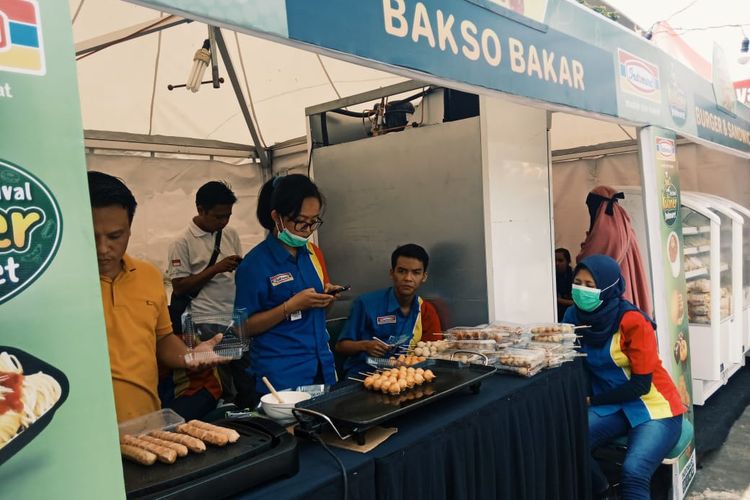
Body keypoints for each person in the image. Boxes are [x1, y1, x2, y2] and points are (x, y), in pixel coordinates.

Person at [88, 171, 226, 423]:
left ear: (130, 230)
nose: (102, 248)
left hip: (146, 424)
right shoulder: (58, 287)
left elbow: (162, 339)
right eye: (91, 236)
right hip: (86, 430)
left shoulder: (149, 276)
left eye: (114, 236)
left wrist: (189, 356)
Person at [563, 254, 686, 500]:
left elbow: (641, 385)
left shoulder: (633, 321)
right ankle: (604, 492)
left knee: (634, 472)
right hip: (612, 404)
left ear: (608, 287)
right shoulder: (572, 317)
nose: (582, 291)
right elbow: (574, 364)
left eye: (591, 285)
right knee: (567, 444)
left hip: (654, 406)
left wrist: (590, 401)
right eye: (578, 283)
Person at [234, 174, 342, 394]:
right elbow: (241, 328)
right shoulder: (255, 265)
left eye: (314, 221)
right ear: (277, 217)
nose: (308, 229)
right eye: (301, 221)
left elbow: (320, 315)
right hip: (281, 375)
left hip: (321, 364)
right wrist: (289, 307)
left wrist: (326, 299)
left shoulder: (312, 254)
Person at [161, 181, 251, 418]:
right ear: (201, 210)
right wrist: (216, 268)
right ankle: (218, 422)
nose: (224, 222)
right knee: (215, 380)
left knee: (242, 373)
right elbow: (179, 286)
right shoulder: (181, 242)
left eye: (228, 216)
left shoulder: (229, 233)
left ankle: (243, 417)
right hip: (202, 319)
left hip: (232, 317)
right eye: (219, 216)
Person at [336, 244, 442, 377]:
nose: (408, 278)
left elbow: (433, 353)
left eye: (416, 272)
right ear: (392, 273)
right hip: (363, 377)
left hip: (405, 378)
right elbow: (341, 346)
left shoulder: (425, 310)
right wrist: (365, 346)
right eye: (402, 271)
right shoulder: (366, 303)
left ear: (424, 277)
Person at [577, 185, 652, 316]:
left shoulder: (604, 231)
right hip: (627, 290)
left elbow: (587, 263)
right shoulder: (625, 225)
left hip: (614, 299)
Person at [555, 248, 574, 321]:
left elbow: (577, 303)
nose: (557, 264)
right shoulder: (550, 277)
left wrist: (558, 300)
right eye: (554, 260)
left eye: (560, 261)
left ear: (568, 262)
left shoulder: (574, 277)